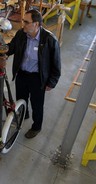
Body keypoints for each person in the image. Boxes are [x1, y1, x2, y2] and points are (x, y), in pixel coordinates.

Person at [6, 9, 61, 139]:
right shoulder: (21, 34)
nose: (22, 24)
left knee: (37, 104)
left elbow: (56, 64)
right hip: (22, 74)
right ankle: (23, 114)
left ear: (36, 24)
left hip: (37, 78)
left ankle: (36, 127)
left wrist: (51, 82)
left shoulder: (49, 40)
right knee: (21, 98)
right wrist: (2, 50)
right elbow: (12, 47)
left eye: (26, 22)